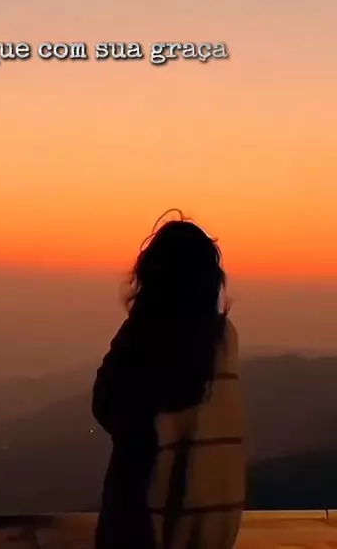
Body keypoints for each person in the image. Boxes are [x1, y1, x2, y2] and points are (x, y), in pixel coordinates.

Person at [92, 210, 245, 549]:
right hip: (208, 530)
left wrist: (136, 324)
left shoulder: (145, 338)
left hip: (143, 528)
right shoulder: (224, 340)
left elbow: (104, 403)